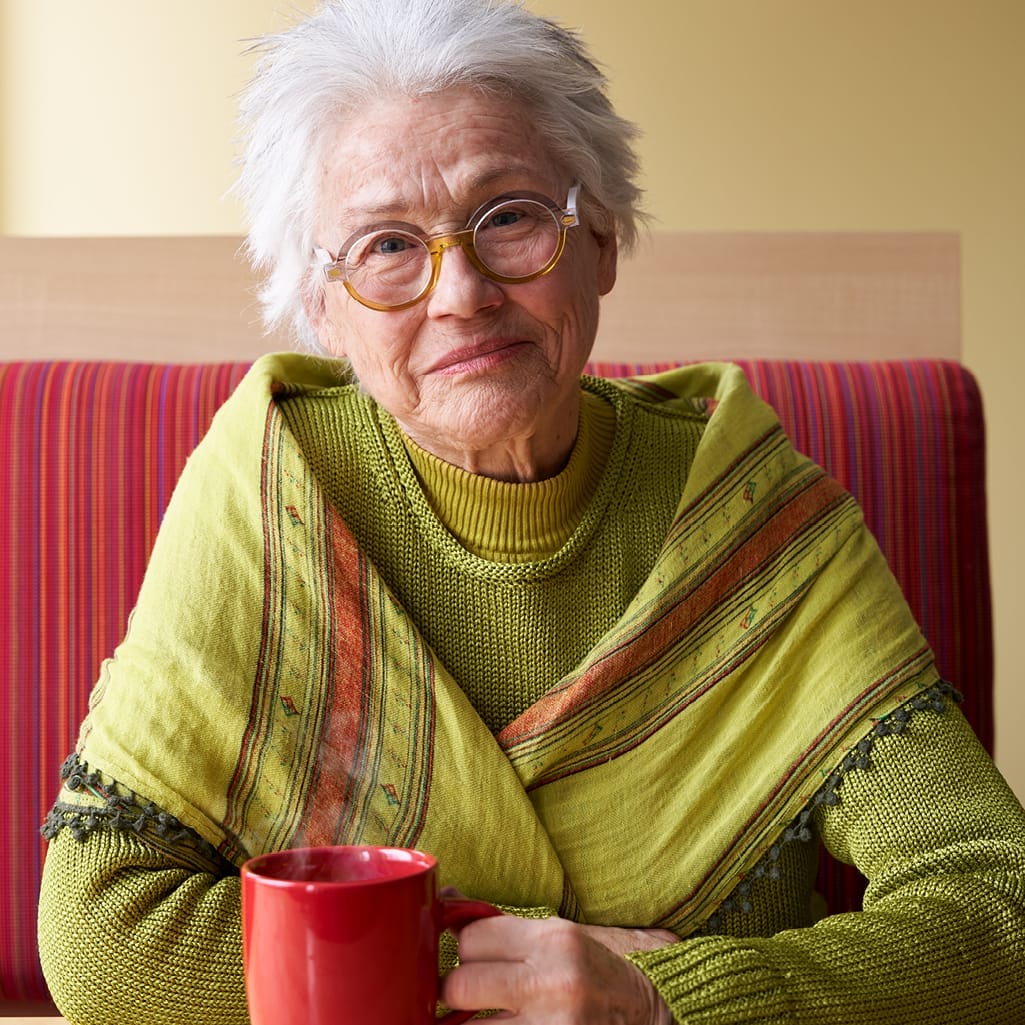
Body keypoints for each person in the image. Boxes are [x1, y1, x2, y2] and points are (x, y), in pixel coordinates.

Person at [37, 0, 1025, 1022]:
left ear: (599, 238)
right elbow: (101, 934)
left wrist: (659, 1002)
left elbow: (998, 909)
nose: (458, 291)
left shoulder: (753, 519)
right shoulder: (267, 491)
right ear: (321, 311)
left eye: (505, 216)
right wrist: (492, 967)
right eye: (384, 246)